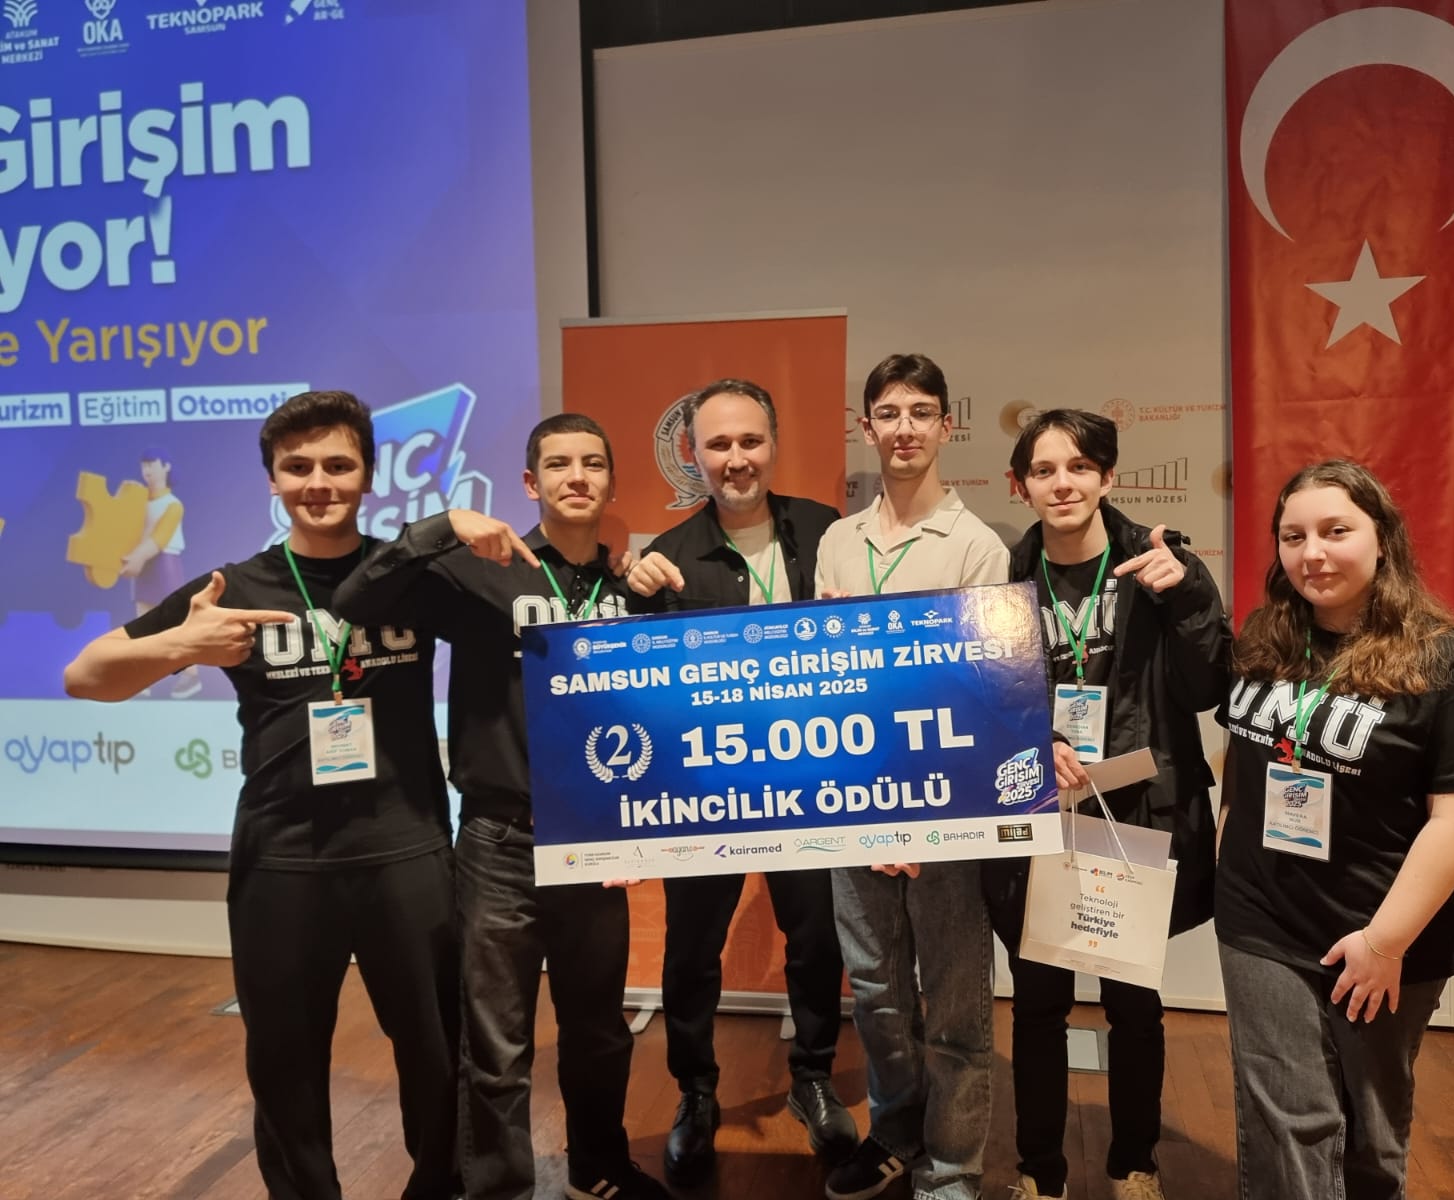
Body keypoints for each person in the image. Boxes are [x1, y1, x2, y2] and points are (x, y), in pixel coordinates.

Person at [64, 390, 460, 1200]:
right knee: (284, 1062)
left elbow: (526, 618)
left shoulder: (411, 577)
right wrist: (182, 644)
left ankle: (439, 1186)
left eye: (338, 465)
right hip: (283, 859)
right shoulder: (235, 586)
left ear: (368, 475)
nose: (319, 482)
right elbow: (85, 676)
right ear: (273, 481)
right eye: (297, 467)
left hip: (407, 847)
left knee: (438, 1050)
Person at [331, 412, 670, 1200]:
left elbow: (667, 719)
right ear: (530, 482)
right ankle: (500, 1190)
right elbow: (354, 597)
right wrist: (440, 526)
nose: (577, 476)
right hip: (499, 842)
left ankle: (598, 1168)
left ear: (611, 481)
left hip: (597, 848)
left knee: (598, 1030)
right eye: (558, 464)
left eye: (592, 463)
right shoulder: (483, 571)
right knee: (495, 1043)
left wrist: (641, 837)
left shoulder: (632, 590)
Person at [1216, 459, 1454, 1200]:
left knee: (1373, 1138)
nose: (1312, 553)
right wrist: (1230, 865)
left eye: (1335, 531)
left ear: (1382, 539)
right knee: (1290, 1121)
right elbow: (1241, 763)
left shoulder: (1446, 660)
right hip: (1260, 920)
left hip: (1381, 933)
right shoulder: (1265, 638)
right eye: (1293, 536)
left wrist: (1383, 943)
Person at [981, 409, 1229, 1200]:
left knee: (1134, 1006)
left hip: (1135, 813)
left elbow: (1208, 688)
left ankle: (1134, 1164)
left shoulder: (1159, 569)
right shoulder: (1003, 582)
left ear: (1108, 478)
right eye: (1044, 470)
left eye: (1080, 467)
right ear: (1021, 485)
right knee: (1037, 1006)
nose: (1063, 483)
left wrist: (1188, 595)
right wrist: (1034, 739)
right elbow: (983, 702)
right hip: (1042, 815)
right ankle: (1040, 1172)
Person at [625, 378, 857, 1185]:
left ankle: (813, 1078)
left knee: (816, 940)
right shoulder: (667, 557)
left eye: (750, 441)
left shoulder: (828, 533)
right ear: (693, 454)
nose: (736, 458)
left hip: (811, 779)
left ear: (774, 444)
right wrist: (631, 601)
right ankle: (695, 1093)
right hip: (707, 792)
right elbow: (637, 686)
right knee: (692, 949)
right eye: (718, 444)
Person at [812, 353, 1007, 1200]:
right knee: (877, 991)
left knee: (956, 1002)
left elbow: (981, 694)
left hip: (945, 814)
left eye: (921, 413)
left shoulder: (977, 546)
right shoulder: (838, 541)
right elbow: (826, 683)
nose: (904, 429)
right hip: (855, 804)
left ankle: (953, 1168)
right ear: (867, 428)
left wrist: (920, 821)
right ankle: (895, 1130)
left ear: (945, 427)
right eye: (888, 414)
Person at [121, 447, 201, 697]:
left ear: (166, 466)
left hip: (164, 565)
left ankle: (190, 675)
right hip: (142, 567)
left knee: (174, 623)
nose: (147, 470)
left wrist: (138, 557)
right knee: (142, 624)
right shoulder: (137, 502)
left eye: (151, 464)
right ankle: (143, 678)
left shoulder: (173, 505)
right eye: (143, 465)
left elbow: (159, 538)